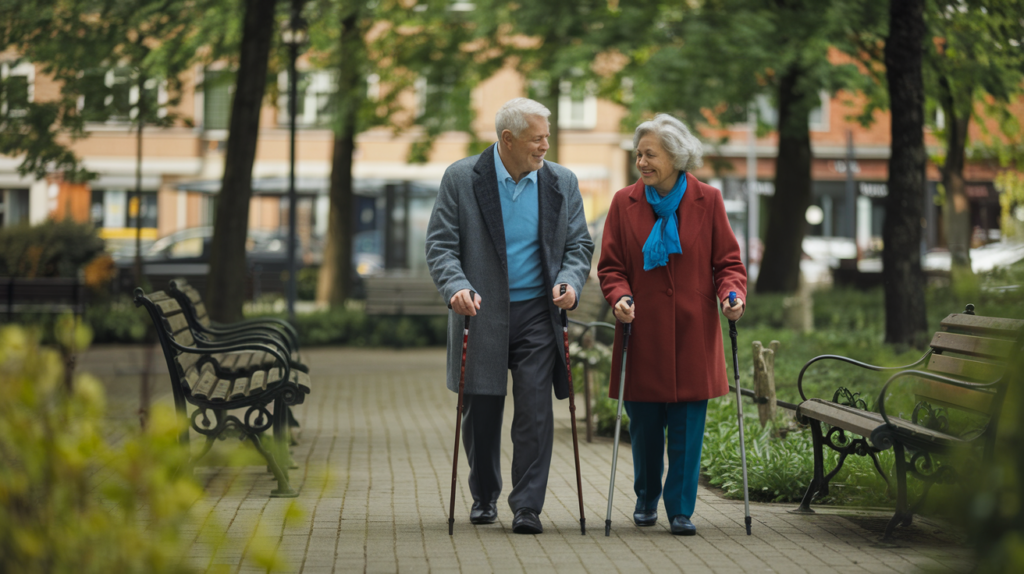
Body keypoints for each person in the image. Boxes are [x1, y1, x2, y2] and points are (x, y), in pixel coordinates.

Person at [426, 98, 594, 535]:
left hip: (539, 313)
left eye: (546, 136)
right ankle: (484, 496)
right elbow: (440, 245)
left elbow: (579, 245)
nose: (545, 145)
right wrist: (456, 286)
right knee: (481, 409)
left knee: (535, 410)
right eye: (537, 138)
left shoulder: (561, 181)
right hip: (480, 312)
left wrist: (571, 282)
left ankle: (527, 507)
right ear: (508, 139)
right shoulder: (462, 179)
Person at [597, 113, 746, 536]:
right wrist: (619, 295)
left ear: (677, 157)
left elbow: (728, 263)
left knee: (686, 429)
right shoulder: (624, 203)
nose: (642, 162)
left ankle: (680, 509)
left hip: (692, 334)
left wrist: (732, 295)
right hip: (640, 331)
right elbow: (611, 267)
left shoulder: (709, 200)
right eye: (638, 154)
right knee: (644, 428)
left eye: (650, 154)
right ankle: (646, 498)